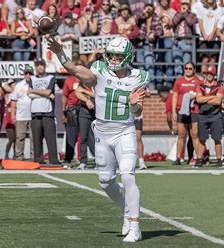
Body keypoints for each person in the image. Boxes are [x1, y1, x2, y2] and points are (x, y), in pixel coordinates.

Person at [48, 36, 148, 242]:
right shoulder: (99, 71)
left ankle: (135, 226)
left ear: (127, 56)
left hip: (125, 131)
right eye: (110, 54)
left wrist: (132, 104)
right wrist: (59, 52)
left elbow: (137, 110)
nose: (112, 58)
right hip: (102, 131)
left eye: (117, 55)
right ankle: (126, 210)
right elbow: (74, 70)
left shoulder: (139, 77)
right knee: (105, 181)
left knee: (128, 175)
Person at [28, 59, 60, 165]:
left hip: (48, 112)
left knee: (50, 139)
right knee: (36, 139)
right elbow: (29, 94)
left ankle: (54, 160)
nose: (39, 67)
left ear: (45, 66)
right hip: (35, 112)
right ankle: (38, 160)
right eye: (37, 65)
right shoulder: (32, 78)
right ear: (35, 67)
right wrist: (44, 93)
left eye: (41, 65)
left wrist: (34, 91)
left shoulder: (51, 78)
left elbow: (48, 91)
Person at [171, 62, 201, 166]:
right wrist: (174, 111)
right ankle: (178, 157)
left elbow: (200, 94)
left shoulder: (197, 81)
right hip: (181, 110)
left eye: (190, 68)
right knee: (181, 135)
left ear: (194, 70)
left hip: (194, 110)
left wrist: (194, 96)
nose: (188, 70)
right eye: (186, 68)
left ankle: (198, 158)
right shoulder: (179, 81)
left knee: (194, 135)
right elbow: (174, 96)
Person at [196, 65, 224, 167]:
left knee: (217, 138)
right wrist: (212, 97)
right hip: (202, 115)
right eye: (207, 74)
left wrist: (205, 98)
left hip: (215, 115)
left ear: (214, 75)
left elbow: (218, 101)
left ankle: (219, 160)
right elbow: (198, 100)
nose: (209, 75)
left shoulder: (219, 86)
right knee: (202, 139)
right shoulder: (200, 86)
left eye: (211, 74)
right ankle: (199, 160)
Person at [10, 65, 34, 160]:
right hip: (21, 116)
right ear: (23, 74)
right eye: (26, 73)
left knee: (34, 138)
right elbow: (13, 101)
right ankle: (19, 157)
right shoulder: (18, 85)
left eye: (30, 73)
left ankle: (34, 156)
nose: (28, 75)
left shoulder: (35, 83)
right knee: (20, 137)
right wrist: (13, 115)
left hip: (33, 115)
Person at [74, 78, 96, 170]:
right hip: (84, 111)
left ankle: (99, 160)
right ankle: (83, 161)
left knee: (97, 138)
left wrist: (84, 91)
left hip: (97, 111)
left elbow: (98, 95)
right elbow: (77, 92)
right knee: (83, 137)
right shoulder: (83, 81)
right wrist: (87, 100)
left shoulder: (98, 81)